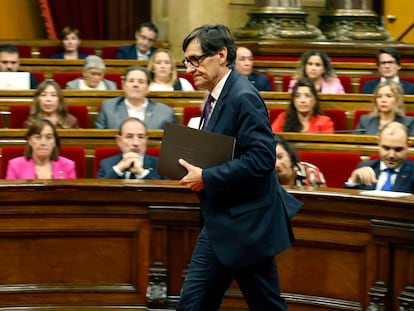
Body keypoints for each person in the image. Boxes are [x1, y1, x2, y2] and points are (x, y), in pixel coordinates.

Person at [176, 23, 296, 311]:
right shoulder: (218, 94)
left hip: (246, 225)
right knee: (193, 305)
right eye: (187, 61)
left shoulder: (243, 96)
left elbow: (262, 159)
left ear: (220, 55)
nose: (190, 68)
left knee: (265, 305)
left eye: (196, 59)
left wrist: (207, 176)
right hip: (224, 222)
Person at [95, 66, 175, 129]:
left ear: (147, 88)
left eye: (141, 82)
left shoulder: (165, 112)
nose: (135, 85)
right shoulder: (108, 108)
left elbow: (171, 144)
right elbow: (99, 142)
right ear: (123, 85)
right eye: (131, 81)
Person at [345, 122, 414, 192]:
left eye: (398, 150)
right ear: (379, 144)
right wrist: (353, 181)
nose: (391, 155)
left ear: (407, 146)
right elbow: (345, 202)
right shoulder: (365, 168)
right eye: (386, 148)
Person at [6, 119, 76, 179]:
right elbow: (9, 194)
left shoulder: (68, 165)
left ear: (54, 141)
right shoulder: (15, 165)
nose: (43, 143)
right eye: (38, 137)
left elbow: (73, 194)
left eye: (49, 137)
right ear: (30, 140)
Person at [97, 117, 164, 179]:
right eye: (129, 136)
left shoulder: (160, 166)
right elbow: (98, 191)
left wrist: (141, 173)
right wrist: (118, 169)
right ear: (119, 141)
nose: (136, 143)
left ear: (146, 140)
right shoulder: (106, 164)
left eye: (141, 137)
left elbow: (166, 191)